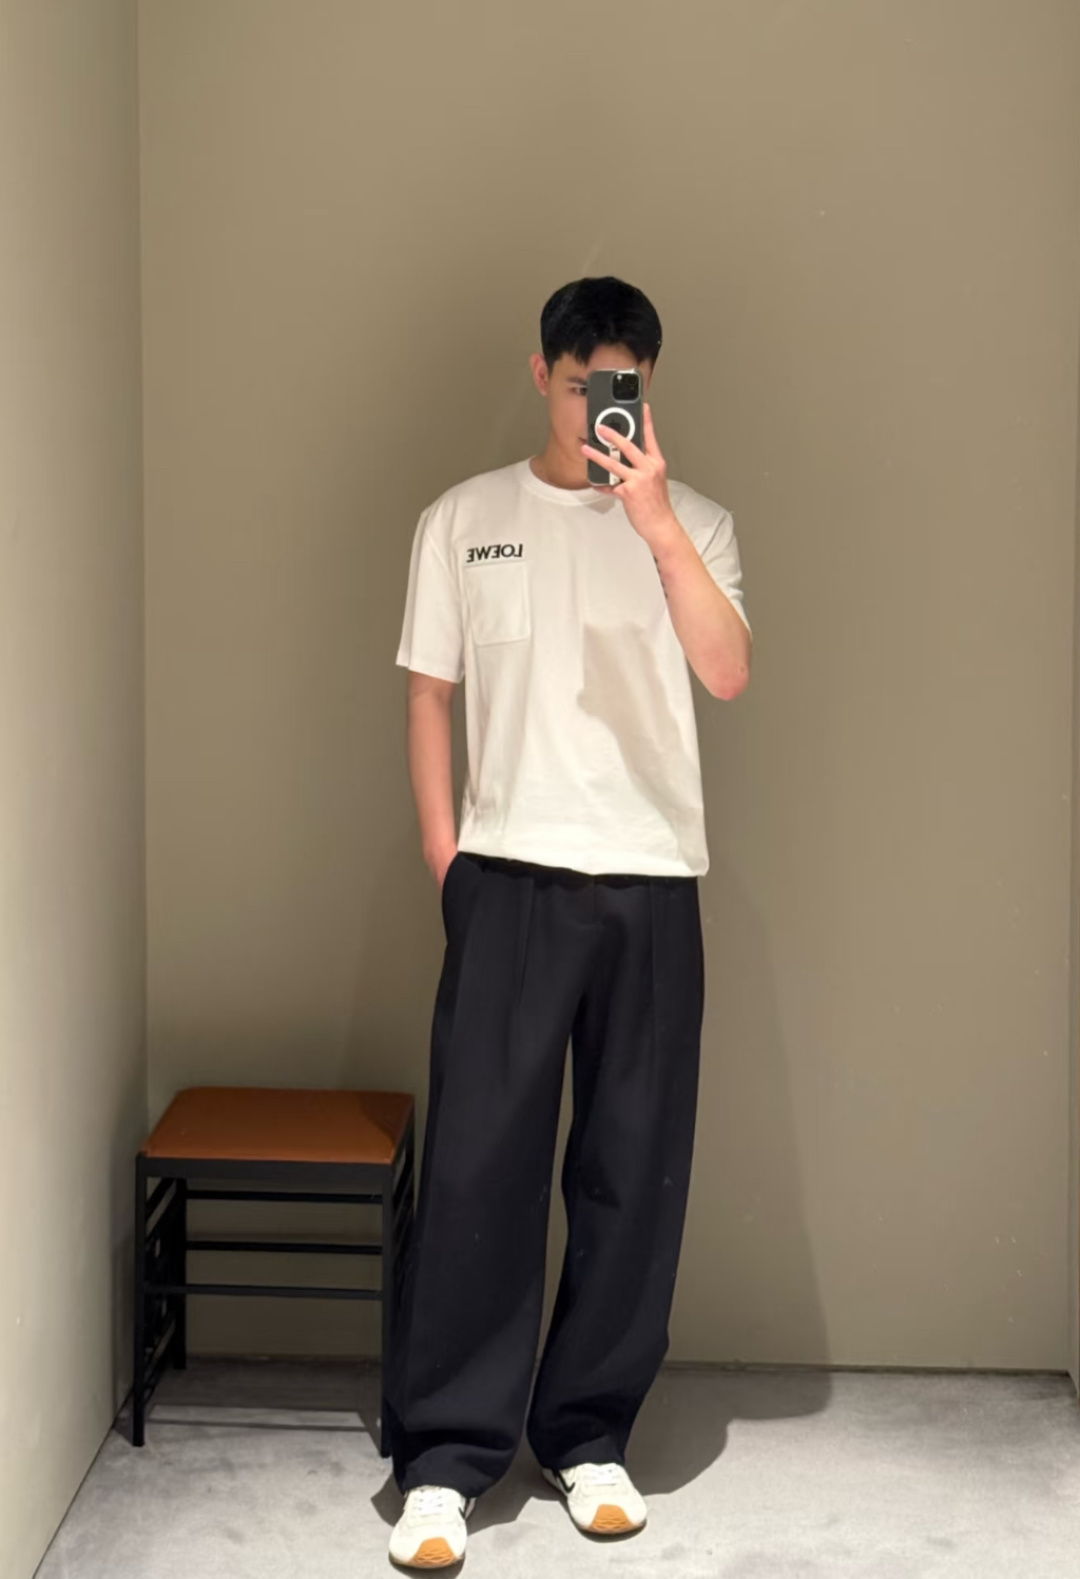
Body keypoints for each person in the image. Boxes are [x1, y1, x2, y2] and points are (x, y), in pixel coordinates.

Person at [385, 275, 752, 1569]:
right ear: (541, 372)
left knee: (632, 1171)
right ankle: (446, 1462)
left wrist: (655, 523)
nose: (605, 402)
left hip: (651, 881)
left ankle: (589, 1436)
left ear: (648, 384)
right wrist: (447, 856)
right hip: (507, 878)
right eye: (586, 378)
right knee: (478, 1168)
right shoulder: (463, 518)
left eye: (627, 384)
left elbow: (728, 671)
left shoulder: (696, 522)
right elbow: (429, 692)